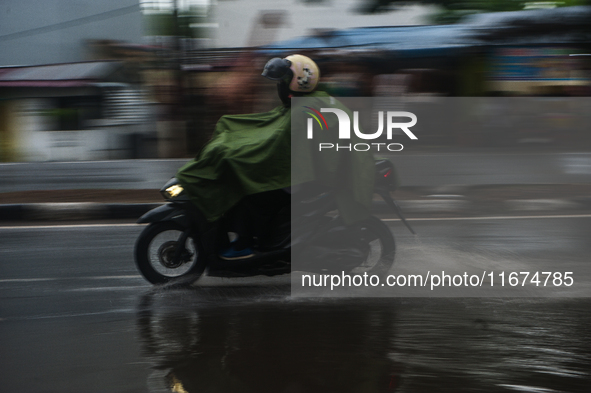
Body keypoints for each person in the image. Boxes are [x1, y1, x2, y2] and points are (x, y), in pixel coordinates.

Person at [176, 54, 325, 260]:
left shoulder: (301, 112)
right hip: (290, 172)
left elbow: (270, 147)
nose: (278, 88)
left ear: (296, 84)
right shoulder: (294, 108)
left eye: (282, 83)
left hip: (293, 179)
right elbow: (264, 133)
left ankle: (246, 245)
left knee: (247, 194)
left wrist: (236, 156)